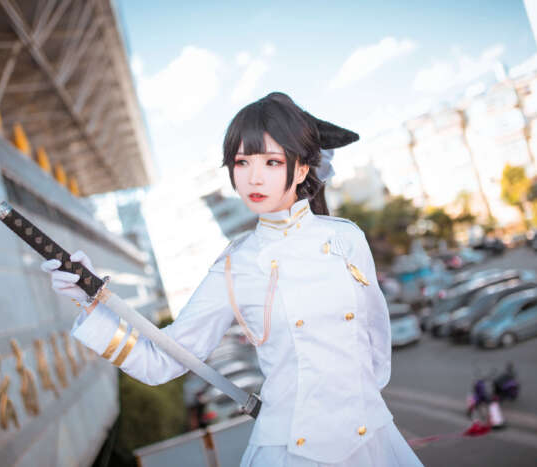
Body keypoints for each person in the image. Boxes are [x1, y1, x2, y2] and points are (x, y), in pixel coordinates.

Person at [41, 92, 424, 466]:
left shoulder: (347, 239)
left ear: (302, 169)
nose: (254, 178)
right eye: (242, 163)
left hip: (374, 440)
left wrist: (361, 404)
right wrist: (88, 299)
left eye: (271, 162)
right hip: (290, 453)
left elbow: (376, 345)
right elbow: (161, 362)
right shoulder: (235, 266)